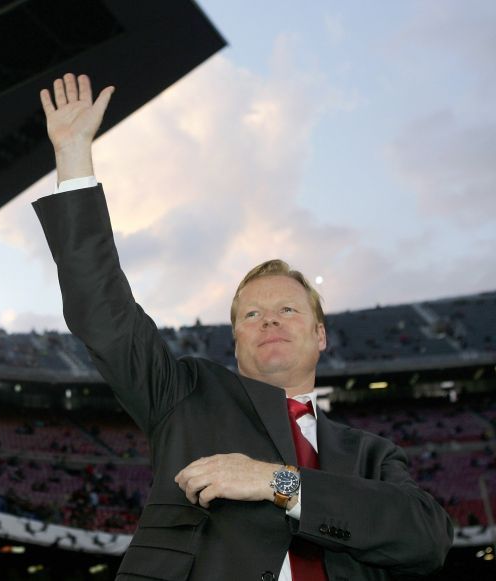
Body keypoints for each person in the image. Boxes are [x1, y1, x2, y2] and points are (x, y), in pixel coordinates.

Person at [33, 73, 453, 580]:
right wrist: (74, 155)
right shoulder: (185, 397)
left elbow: (426, 537)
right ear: (235, 342)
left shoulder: (371, 454)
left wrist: (280, 484)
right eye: (252, 314)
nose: (270, 318)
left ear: (321, 336)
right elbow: (102, 312)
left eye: (289, 310)